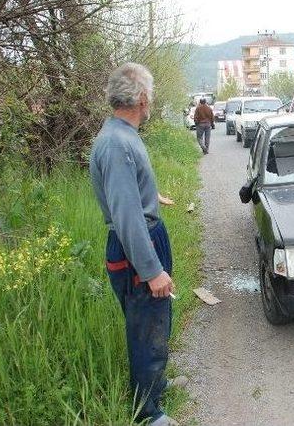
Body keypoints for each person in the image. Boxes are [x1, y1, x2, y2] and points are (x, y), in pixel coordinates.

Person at [89, 62, 185, 426]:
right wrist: (151, 270)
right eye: (152, 95)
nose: (152, 101)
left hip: (145, 235)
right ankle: (148, 414)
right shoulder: (116, 143)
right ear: (142, 98)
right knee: (146, 324)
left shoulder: (121, 134)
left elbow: (126, 192)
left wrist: (149, 194)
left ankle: (154, 385)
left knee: (156, 321)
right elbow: (126, 216)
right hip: (136, 247)